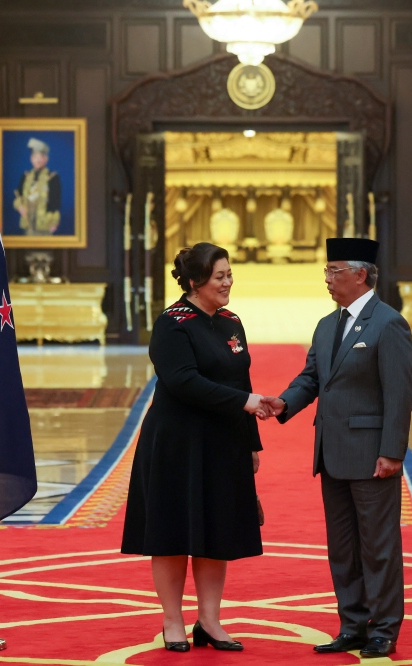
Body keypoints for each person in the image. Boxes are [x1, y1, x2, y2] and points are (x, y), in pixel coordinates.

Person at [262, 238, 412, 659]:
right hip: (331, 453)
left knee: (378, 546)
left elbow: (399, 395)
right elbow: (312, 377)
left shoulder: (389, 324)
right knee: (343, 547)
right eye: (327, 272)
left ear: (360, 274)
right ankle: (353, 624)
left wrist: (392, 452)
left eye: (334, 271)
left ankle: (384, 628)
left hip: (372, 456)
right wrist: (284, 402)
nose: (327, 280)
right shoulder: (328, 324)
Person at [121, 242, 270, 653]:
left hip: (223, 442)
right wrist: (244, 404)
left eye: (229, 275)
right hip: (176, 443)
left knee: (216, 529)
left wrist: (250, 442)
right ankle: (173, 621)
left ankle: (210, 621)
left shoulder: (230, 321)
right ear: (194, 282)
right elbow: (183, 381)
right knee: (172, 532)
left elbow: (242, 380)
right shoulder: (172, 323)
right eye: (219, 277)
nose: (227, 283)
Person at [13, 137, 61, 236]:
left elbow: (56, 202)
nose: (38, 160)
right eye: (35, 157)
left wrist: (54, 222)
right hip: (28, 222)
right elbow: (18, 196)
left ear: (46, 159)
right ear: (31, 158)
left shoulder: (52, 177)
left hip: (45, 223)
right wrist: (20, 206)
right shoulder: (26, 177)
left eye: (41, 157)